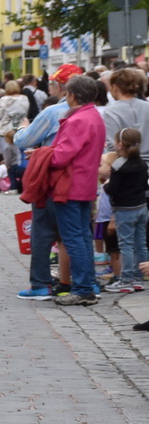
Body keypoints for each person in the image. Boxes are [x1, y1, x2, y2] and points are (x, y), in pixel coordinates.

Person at [42, 75, 107, 306]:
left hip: (70, 185)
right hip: (85, 183)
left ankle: (82, 288)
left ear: (72, 95)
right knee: (82, 236)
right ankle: (87, 285)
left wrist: (42, 154)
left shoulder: (78, 119)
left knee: (74, 237)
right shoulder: (93, 116)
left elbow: (60, 157)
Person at [105, 128, 146, 294]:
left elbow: (112, 189)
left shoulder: (118, 165)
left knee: (126, 245)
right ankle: (139, 277)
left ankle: (126, 280)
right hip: (141, 207)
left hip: (124, 209)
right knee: (141, 244)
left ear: (120, 145)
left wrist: (106, 184)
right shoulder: (142, 162)